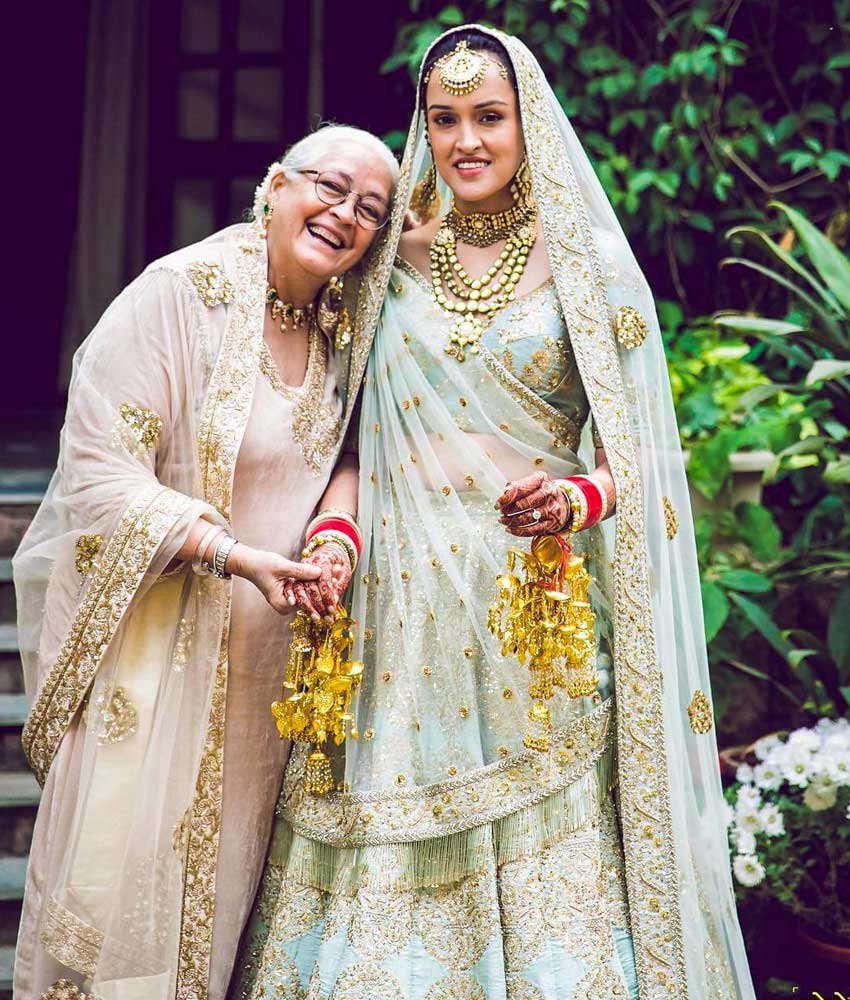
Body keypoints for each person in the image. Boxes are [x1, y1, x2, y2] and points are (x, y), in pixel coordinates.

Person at [231, 25, 756, 1000]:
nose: (465, 138)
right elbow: (348, 436)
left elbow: (642, 452)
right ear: (423, 127)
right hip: (391, 617)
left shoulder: (588, 261)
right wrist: (335, 539)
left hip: (530, 615)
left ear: (528, 123)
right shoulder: (387, 259)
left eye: (488, 116)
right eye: (445, 118)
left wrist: (578, 496)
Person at [13, 124, 398, 1000]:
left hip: (268, 684)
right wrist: (232, 555)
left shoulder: (345, 336)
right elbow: (98, 470)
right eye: (328, 188)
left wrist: (331, 542)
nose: (343, 215)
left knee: (221, 919)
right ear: (274, 183)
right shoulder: (180, 295)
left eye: (369, 210)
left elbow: (350, 458)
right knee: (123, 924)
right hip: (159, 672)